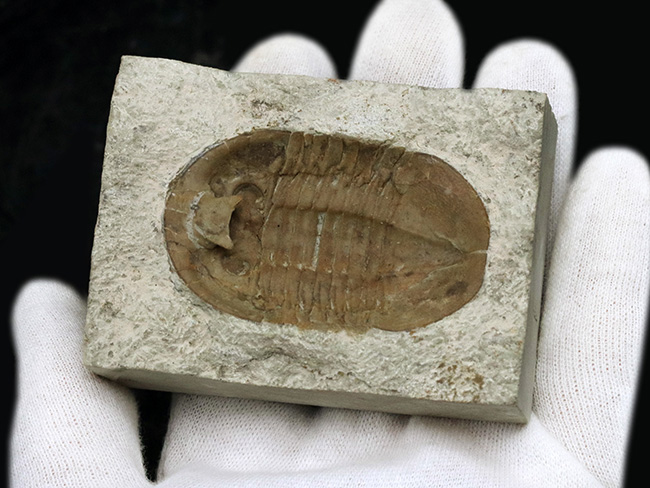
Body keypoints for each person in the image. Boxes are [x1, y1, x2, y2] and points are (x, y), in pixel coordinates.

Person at [10, 1, 649, 486]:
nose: (228, 220)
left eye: (234, 194)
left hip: (414, 219)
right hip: (378, 277)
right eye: (224, 239)